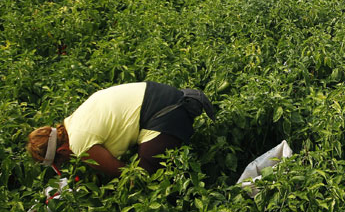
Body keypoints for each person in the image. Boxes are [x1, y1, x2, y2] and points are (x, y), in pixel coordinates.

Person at [26, 82, 214, 177]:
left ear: (62, 150)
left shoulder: (79, 143)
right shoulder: (74, 120)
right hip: (167, 97)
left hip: (166, 113)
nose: (69, 162)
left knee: (145, 173)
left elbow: (122, 172)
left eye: (64, 161)